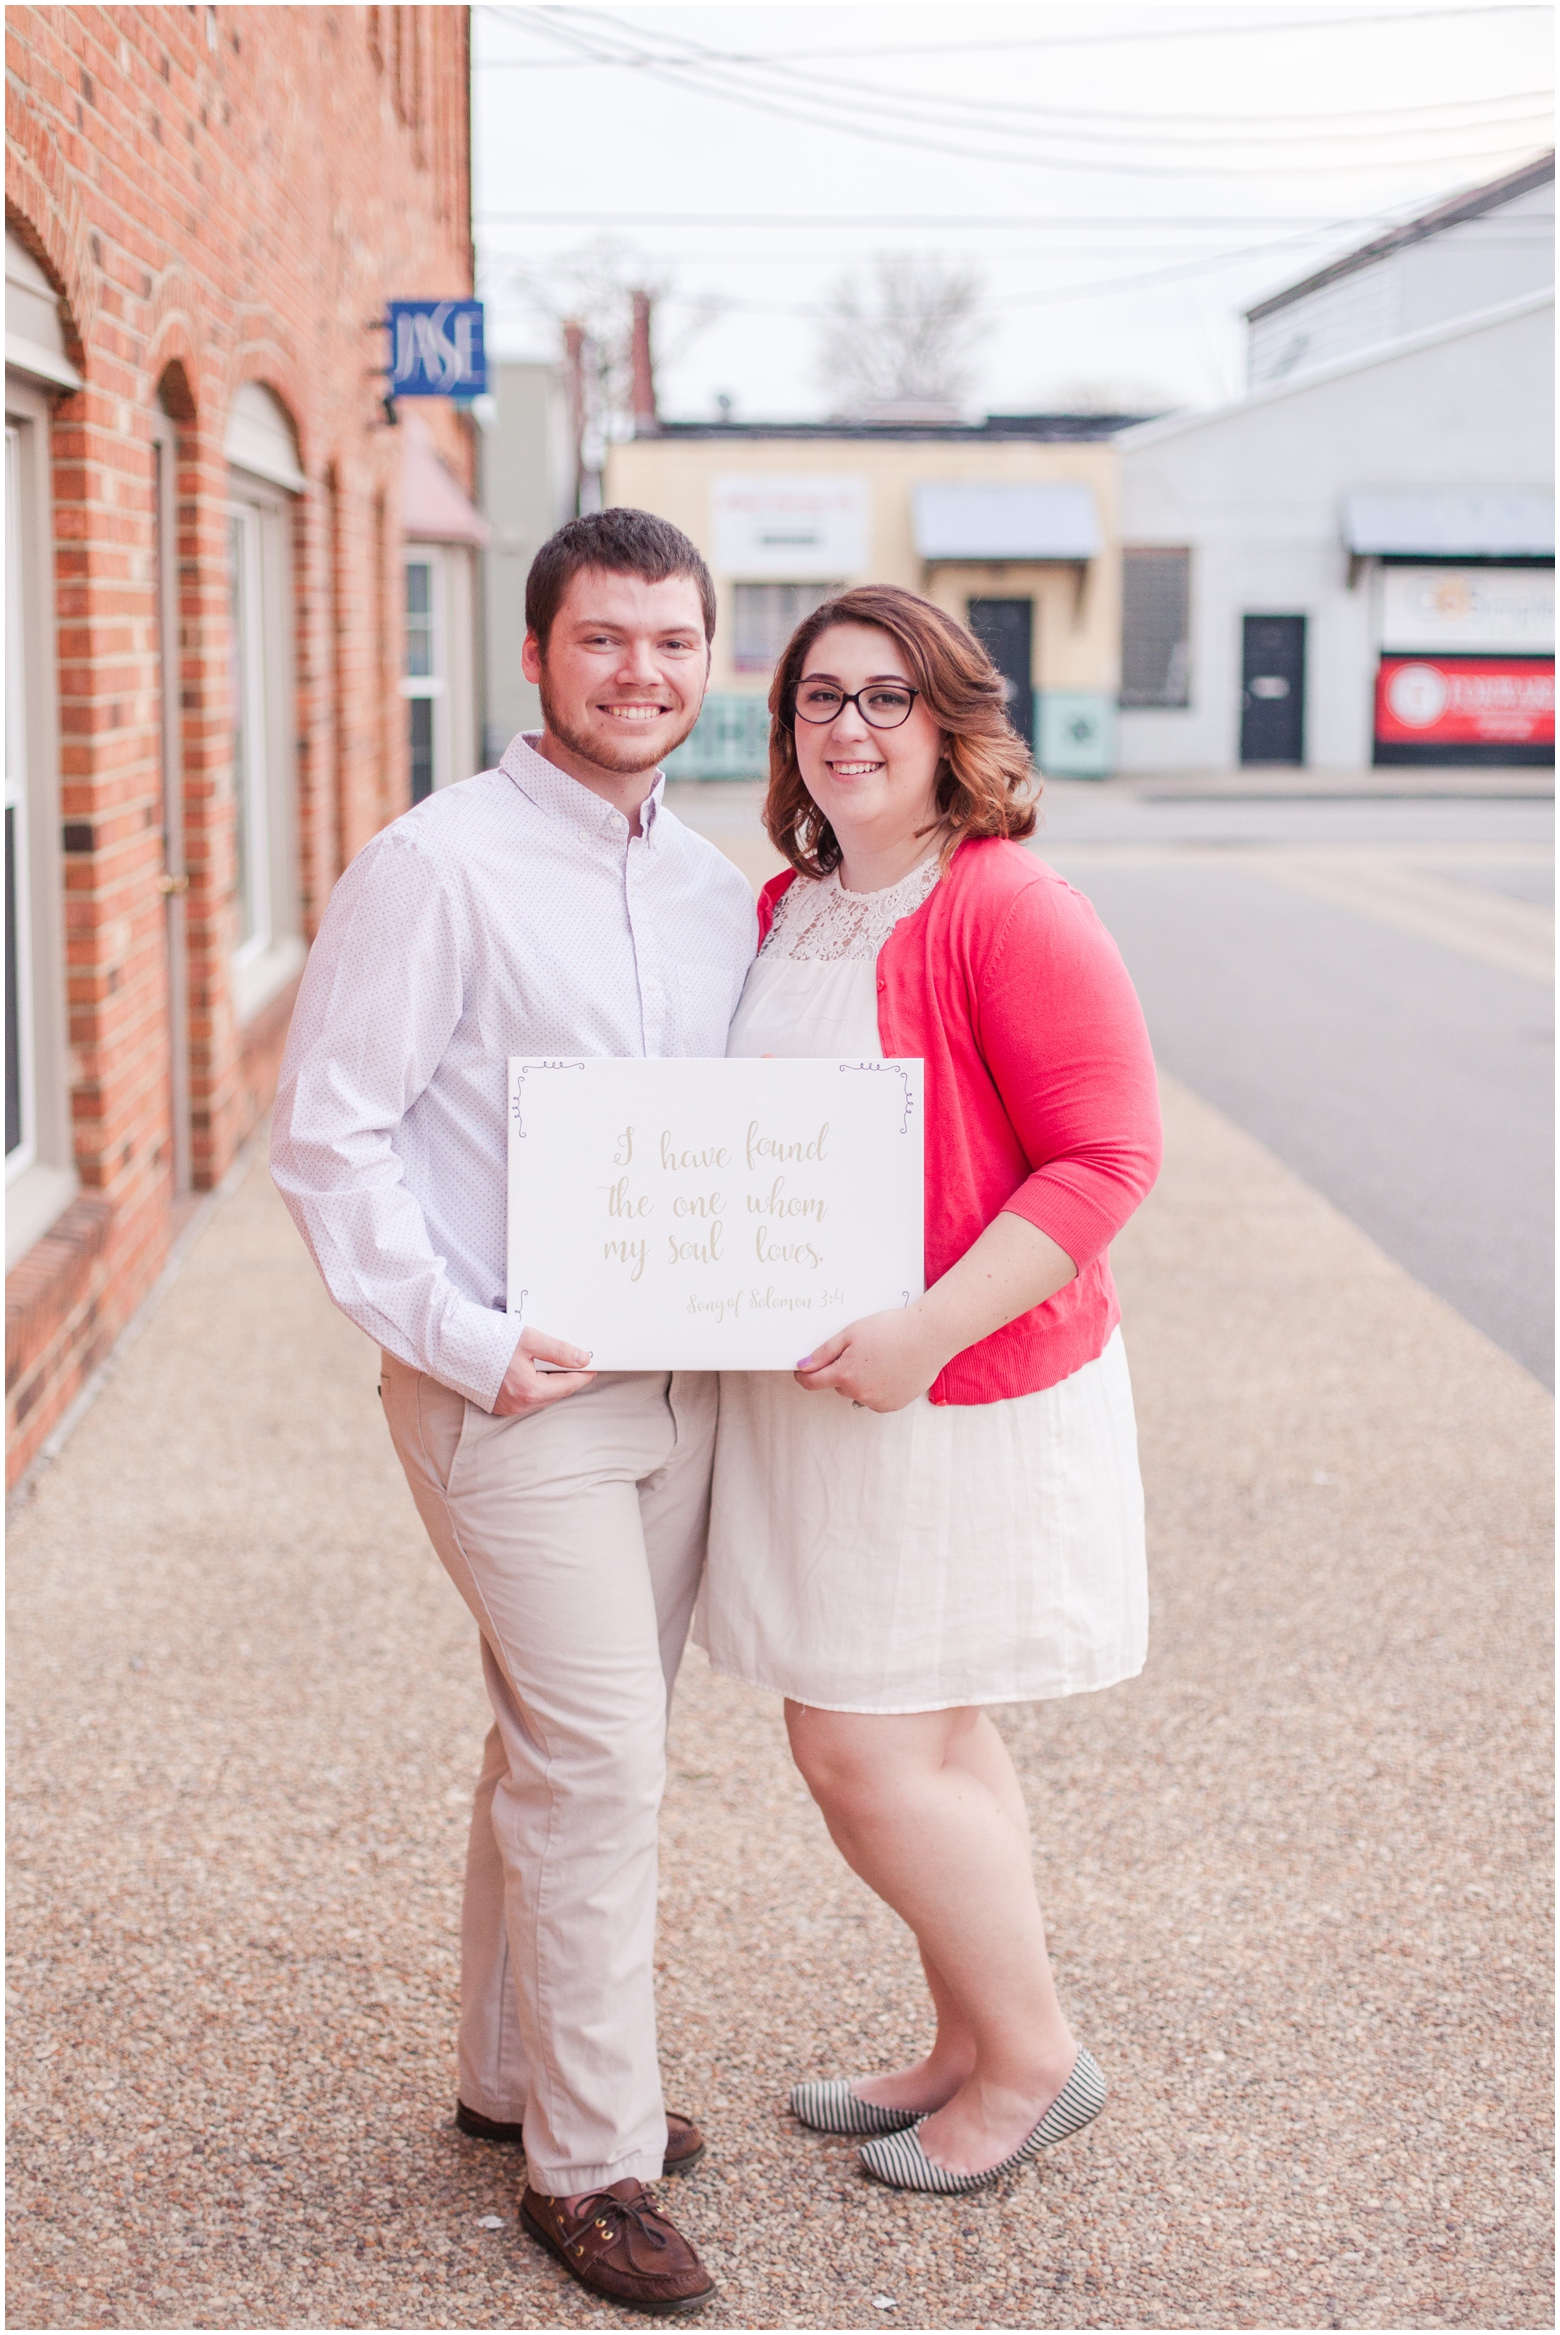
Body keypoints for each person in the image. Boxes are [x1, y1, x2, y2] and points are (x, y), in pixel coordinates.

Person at [271, 509, 756, 2315]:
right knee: (604, 1758)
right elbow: (330, 1135)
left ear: (710, 662)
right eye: (605, 639)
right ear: (539, 657)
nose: (642, 672)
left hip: (686, 1387)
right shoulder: (438, 863)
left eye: (673, 642)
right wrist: (465, 1337)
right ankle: (593, 2163)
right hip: (512, 1394)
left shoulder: (715, 888)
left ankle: (512, 2077)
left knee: (549, 1744)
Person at [696, 584, 1162, 2196]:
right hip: (824, 1398)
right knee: (933, 1729)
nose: (849, 727)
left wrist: (922, 1332)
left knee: (857, 1744)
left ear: (955, 723)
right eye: (818, 699)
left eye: (888, 697)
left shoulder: (1006, 904)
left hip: (955, 1396)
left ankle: (1031, 2058)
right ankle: (968, 2037)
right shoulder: (790, 909)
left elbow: (1106, 1161)